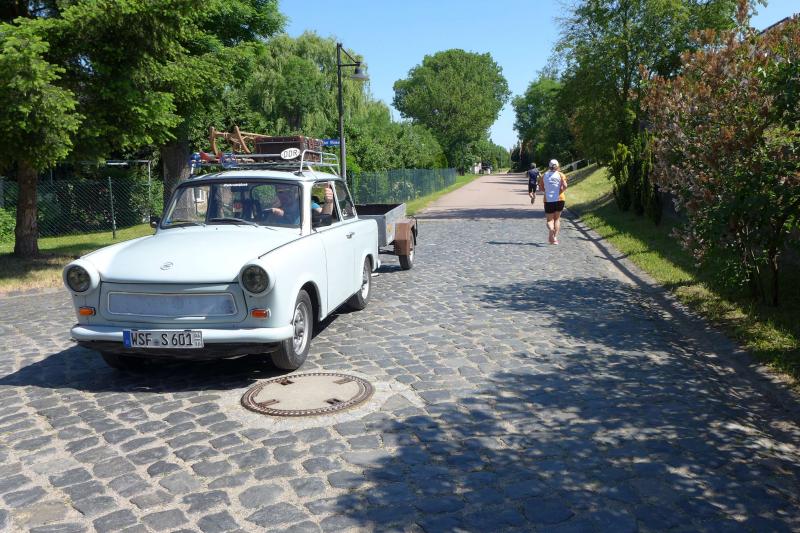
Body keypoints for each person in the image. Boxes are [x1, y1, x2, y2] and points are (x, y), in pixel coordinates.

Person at [538, 159, 567, 244]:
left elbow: (540, 188)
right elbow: (565, 185)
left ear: (549, 166)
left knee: (549, 220)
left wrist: (546, 191)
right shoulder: (561, 174)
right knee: (557, 219)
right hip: (560, 199)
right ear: (558, 166)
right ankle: (554, 238)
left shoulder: (544, 175)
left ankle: (551, 229)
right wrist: (561, 191)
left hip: (548, 200)